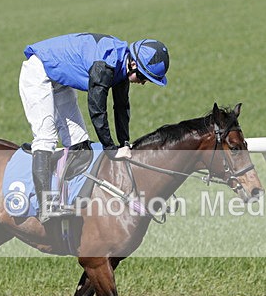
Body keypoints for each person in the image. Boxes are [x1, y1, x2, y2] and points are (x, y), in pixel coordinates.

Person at [18, 32, 170, 222]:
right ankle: (45, 207)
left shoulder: (123, 64)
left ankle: (65, 193)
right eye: (143, 76)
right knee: (46, 137)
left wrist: (124, 143)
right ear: (133, 64)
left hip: (59, 79)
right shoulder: (105, 66)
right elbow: (97, 110)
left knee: (80, 145)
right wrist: (110, 149)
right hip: (38, 72)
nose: (144, 82)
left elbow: (121, 107)